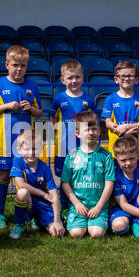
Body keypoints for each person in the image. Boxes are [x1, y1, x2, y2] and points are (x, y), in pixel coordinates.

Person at [0, 45, 43, 229]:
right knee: (3, 175)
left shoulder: (32, 86)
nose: (19, 69)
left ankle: (29, 214)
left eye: (23, 65)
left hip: (26, 144)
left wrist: (30, 109)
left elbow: (40, 113)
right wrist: (6, 106)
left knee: (27, 177)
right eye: (15, 65)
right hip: (5, 141)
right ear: (6, 64)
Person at [50, 60, 96, 211]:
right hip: (64, 146)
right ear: (63, 80)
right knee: (65, 177)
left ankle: (82, 204)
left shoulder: (88, 100)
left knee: (82, 175)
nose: (74, 81)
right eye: (70, 78)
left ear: (83, 78)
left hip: (82, 145)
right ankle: (64, 207)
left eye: (77, 77)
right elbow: (53, 119)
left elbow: (92, 121)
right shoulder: (59, 99)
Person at [61, 111, 115, 238]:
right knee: (76, 234)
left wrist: (99, 206)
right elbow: (65, 183)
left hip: (98, 205)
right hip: (78, 206)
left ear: (99, 131)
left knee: (96, 233)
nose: (91, 133)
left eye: (94, 129)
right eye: (87, 130)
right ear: (78, 133)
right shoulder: (72, 156)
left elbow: (109, 184)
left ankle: (98, 219)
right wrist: (76, 203)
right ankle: (72, 215)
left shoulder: (106, 156)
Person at [9, 129, 65, 239]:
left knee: (56, 233)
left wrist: (57, 220)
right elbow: (21, 185)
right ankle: (20, 224)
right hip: (28, 203)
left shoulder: (45, 168)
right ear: (19, 150)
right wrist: (43, 194)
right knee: (22, 193)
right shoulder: (17, 161)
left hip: (42, 205)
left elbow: (54, 195)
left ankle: (39, 220)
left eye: (35, 148)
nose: (31, 152)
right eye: (27, 149)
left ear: (41, 150)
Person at [102, 61, 139, 166]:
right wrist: (123, 133)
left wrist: (125, 127)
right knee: (115, 179)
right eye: (123, 76)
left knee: (136, 179)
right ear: (116, 79)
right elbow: (108, 123)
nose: (126, 78)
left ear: (136, 80)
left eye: (130, 75)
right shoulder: (110, 99)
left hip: (135, 149)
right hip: (115, 149)